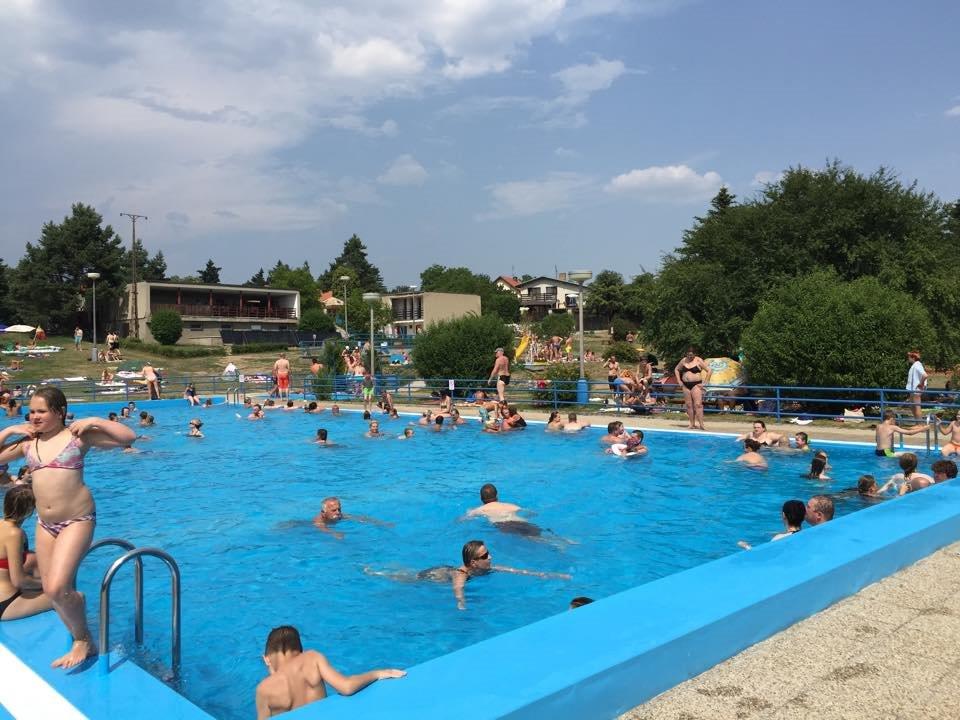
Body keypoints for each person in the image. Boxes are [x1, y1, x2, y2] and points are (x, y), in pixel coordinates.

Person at [0, 386, 136, 668]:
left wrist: (95, 420)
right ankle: (79, 626)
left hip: (77, 519)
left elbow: (128, 437)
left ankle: (83, 640)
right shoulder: (28, 443)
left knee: (57, 586)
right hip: (45, 524)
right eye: (31, 411)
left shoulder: (77, 437)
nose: (34, 417)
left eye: (41, 411)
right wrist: (9, 431)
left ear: (59, 411)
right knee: (53, 590)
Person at [255, 625, 405, 719]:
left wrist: (273, 675)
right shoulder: (312, 658)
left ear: (266, 659)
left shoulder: (264, 689)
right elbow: (347, 687)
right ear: (301, 651)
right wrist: (377, 673)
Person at [1, 486, 52, 621]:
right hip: (5, 603)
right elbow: (19, 581)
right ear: (29, 510)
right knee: (74, 597)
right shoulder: (15, 534)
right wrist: (46, 584)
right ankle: (83, 634)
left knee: (33, 558)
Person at [738, 499, 807, 549]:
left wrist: (747, 546)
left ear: (784, 515)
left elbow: (762, 557)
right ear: (804, 516)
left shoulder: (778, 539)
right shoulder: (806, 534)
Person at [312, 497, 390, 539]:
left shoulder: (339, 515)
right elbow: (322, 528)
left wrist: (379, 523)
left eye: (339, 509)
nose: (338, 512)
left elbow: (357, 518)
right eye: (333, 510)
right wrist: (334, 533)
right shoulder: (319, 521)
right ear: (323, 512)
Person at [673, 347, 711, 430]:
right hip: (685, 385)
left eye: (691, 355)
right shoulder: (683, 360)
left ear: (694, 354)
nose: (690, 357)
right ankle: (692, 424)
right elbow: (676, 369)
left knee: (698, 405)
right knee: (689, 405)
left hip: (696, 384)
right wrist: (679, 380)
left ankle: (701, 424)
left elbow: (709, 370)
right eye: (688, 355)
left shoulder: (698, 360)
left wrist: (705, 383)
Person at [905, 350, 927, 422]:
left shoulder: (917, 365)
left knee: (917, 407)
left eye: (909, 357)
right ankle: (917, 423)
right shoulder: (915, 365)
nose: (908, 358)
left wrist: (921, 383)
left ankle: (920, 424)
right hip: (913, 390)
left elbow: (925, 375)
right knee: (912, 406)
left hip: (916, 390)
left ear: (913, 358)